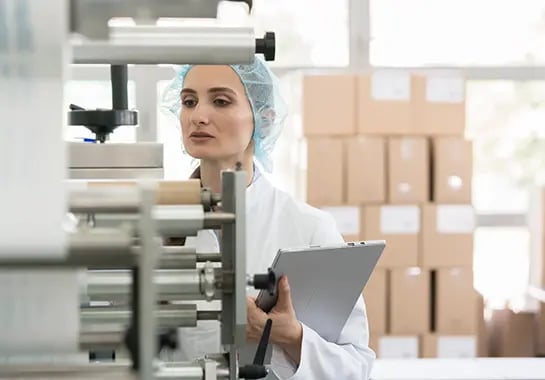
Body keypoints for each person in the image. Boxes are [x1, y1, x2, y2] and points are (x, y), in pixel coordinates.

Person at [162, 56, 375, 379]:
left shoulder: (308, 228)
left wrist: (291, 335)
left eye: (220, 101)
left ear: (264, 118)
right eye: (189, 101)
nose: (198, 116)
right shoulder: (155, 223)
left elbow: (355, 367)